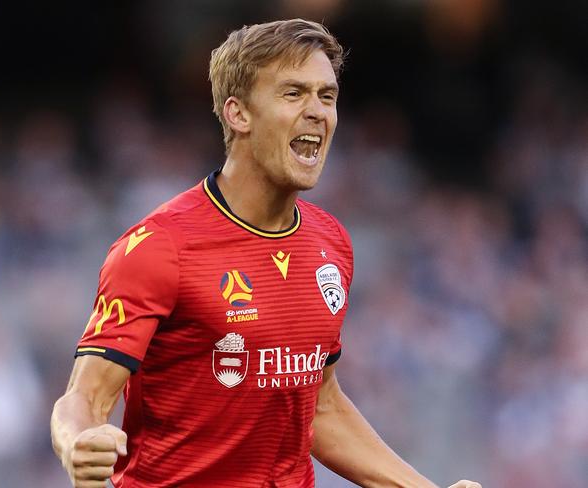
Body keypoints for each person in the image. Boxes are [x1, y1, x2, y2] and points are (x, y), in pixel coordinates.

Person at [51, 19, 482, 488]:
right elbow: (83, 398)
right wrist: (77, 441)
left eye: (327, 96)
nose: (317, 111)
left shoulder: (330, 241)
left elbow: (320, 406)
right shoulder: (160, 246)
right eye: (293, 94)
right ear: (238, 114)